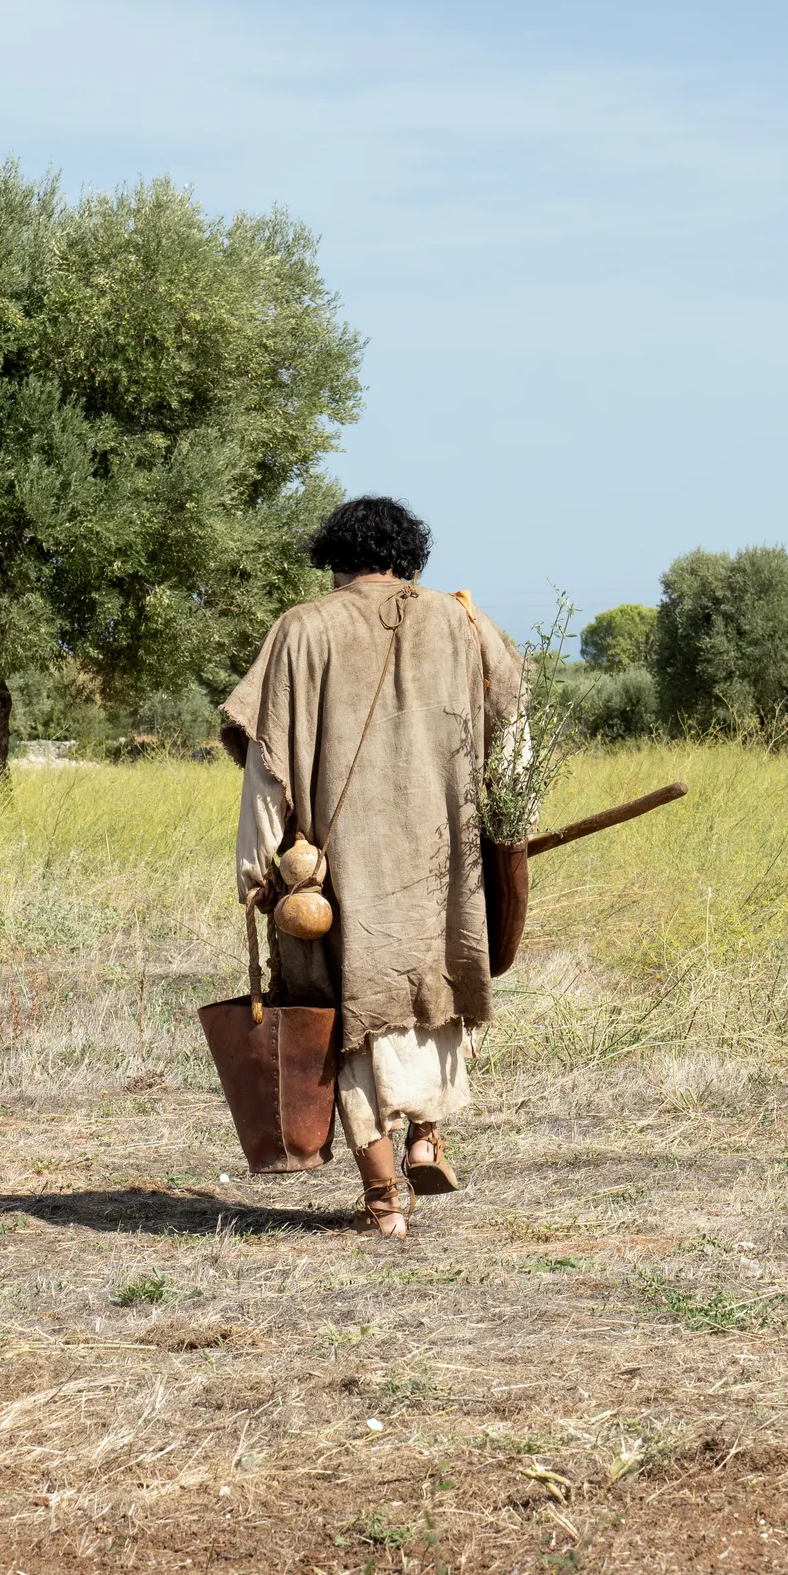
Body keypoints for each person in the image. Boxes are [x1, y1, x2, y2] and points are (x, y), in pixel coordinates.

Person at [218, 495, 525, 1236]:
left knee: (345, 1016)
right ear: (409, 558)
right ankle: (427, 1133)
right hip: (445, 866)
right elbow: (513, 735)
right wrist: (510, 836)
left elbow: (267, 761)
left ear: (335, 560)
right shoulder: (467, 623)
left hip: (335, 872)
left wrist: (256, 866)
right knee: (434, 998)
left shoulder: (304, 628)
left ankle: (385, 1196)